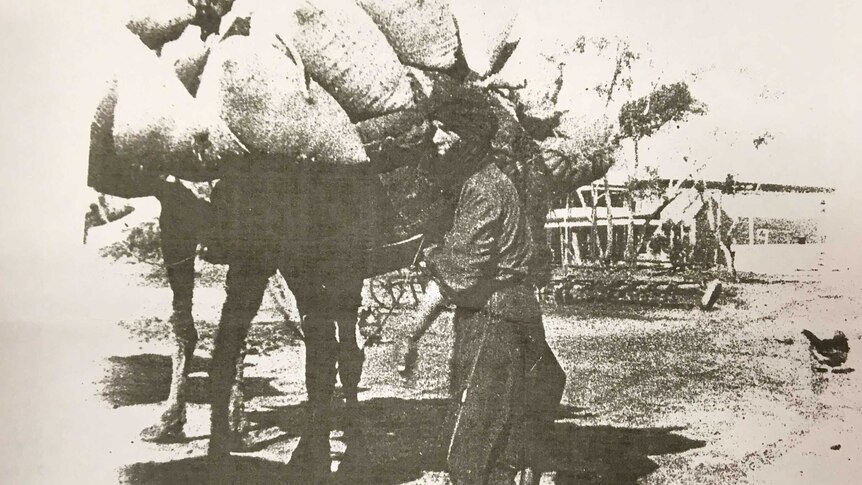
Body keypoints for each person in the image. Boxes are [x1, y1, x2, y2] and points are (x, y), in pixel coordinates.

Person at [408, 81, 566, 485]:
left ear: (470, 138)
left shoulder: (482, 189)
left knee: (471, 444)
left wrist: (409, 333)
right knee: (501, 445)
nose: (437, 138)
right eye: (436, 127)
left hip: (492, 321)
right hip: (518, 316)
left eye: (448, 129)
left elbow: (458, 277)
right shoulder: (492, 182)